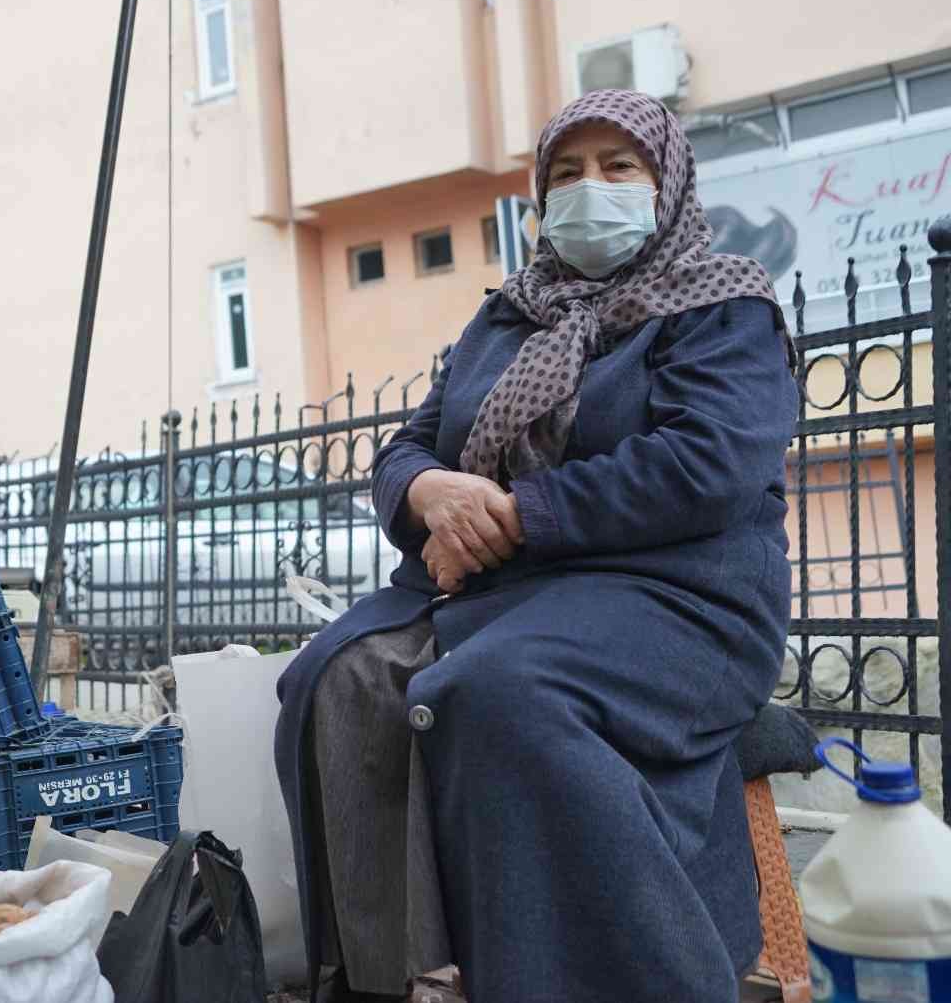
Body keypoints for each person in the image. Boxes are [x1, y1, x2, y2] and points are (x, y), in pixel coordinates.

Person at [275, 89, 800, 1003]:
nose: (589, 190)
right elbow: (409, 445)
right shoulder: (508, 318)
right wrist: (430, 493)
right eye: (566, 173)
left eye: (618, 167)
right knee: (332, 677)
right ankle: (395, 975)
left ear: (666, 181)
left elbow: (707, 463)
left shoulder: (725, 306)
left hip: (678, 595)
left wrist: (515, 516)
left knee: (496, 692)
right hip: (512, 591)